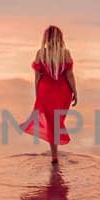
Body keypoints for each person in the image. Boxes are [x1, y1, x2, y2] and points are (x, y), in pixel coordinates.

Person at [21, 24, 77, 161]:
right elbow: (69, 75)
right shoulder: (65, 53)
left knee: (53, 122)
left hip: (45, 91)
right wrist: (75, 91)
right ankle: (54, 156)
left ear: (46, 38)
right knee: (56, 122)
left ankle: (54, 155)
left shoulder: (41, 53)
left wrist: (38, 94)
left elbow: (37, 77)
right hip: (63, 91)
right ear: (60, 38)